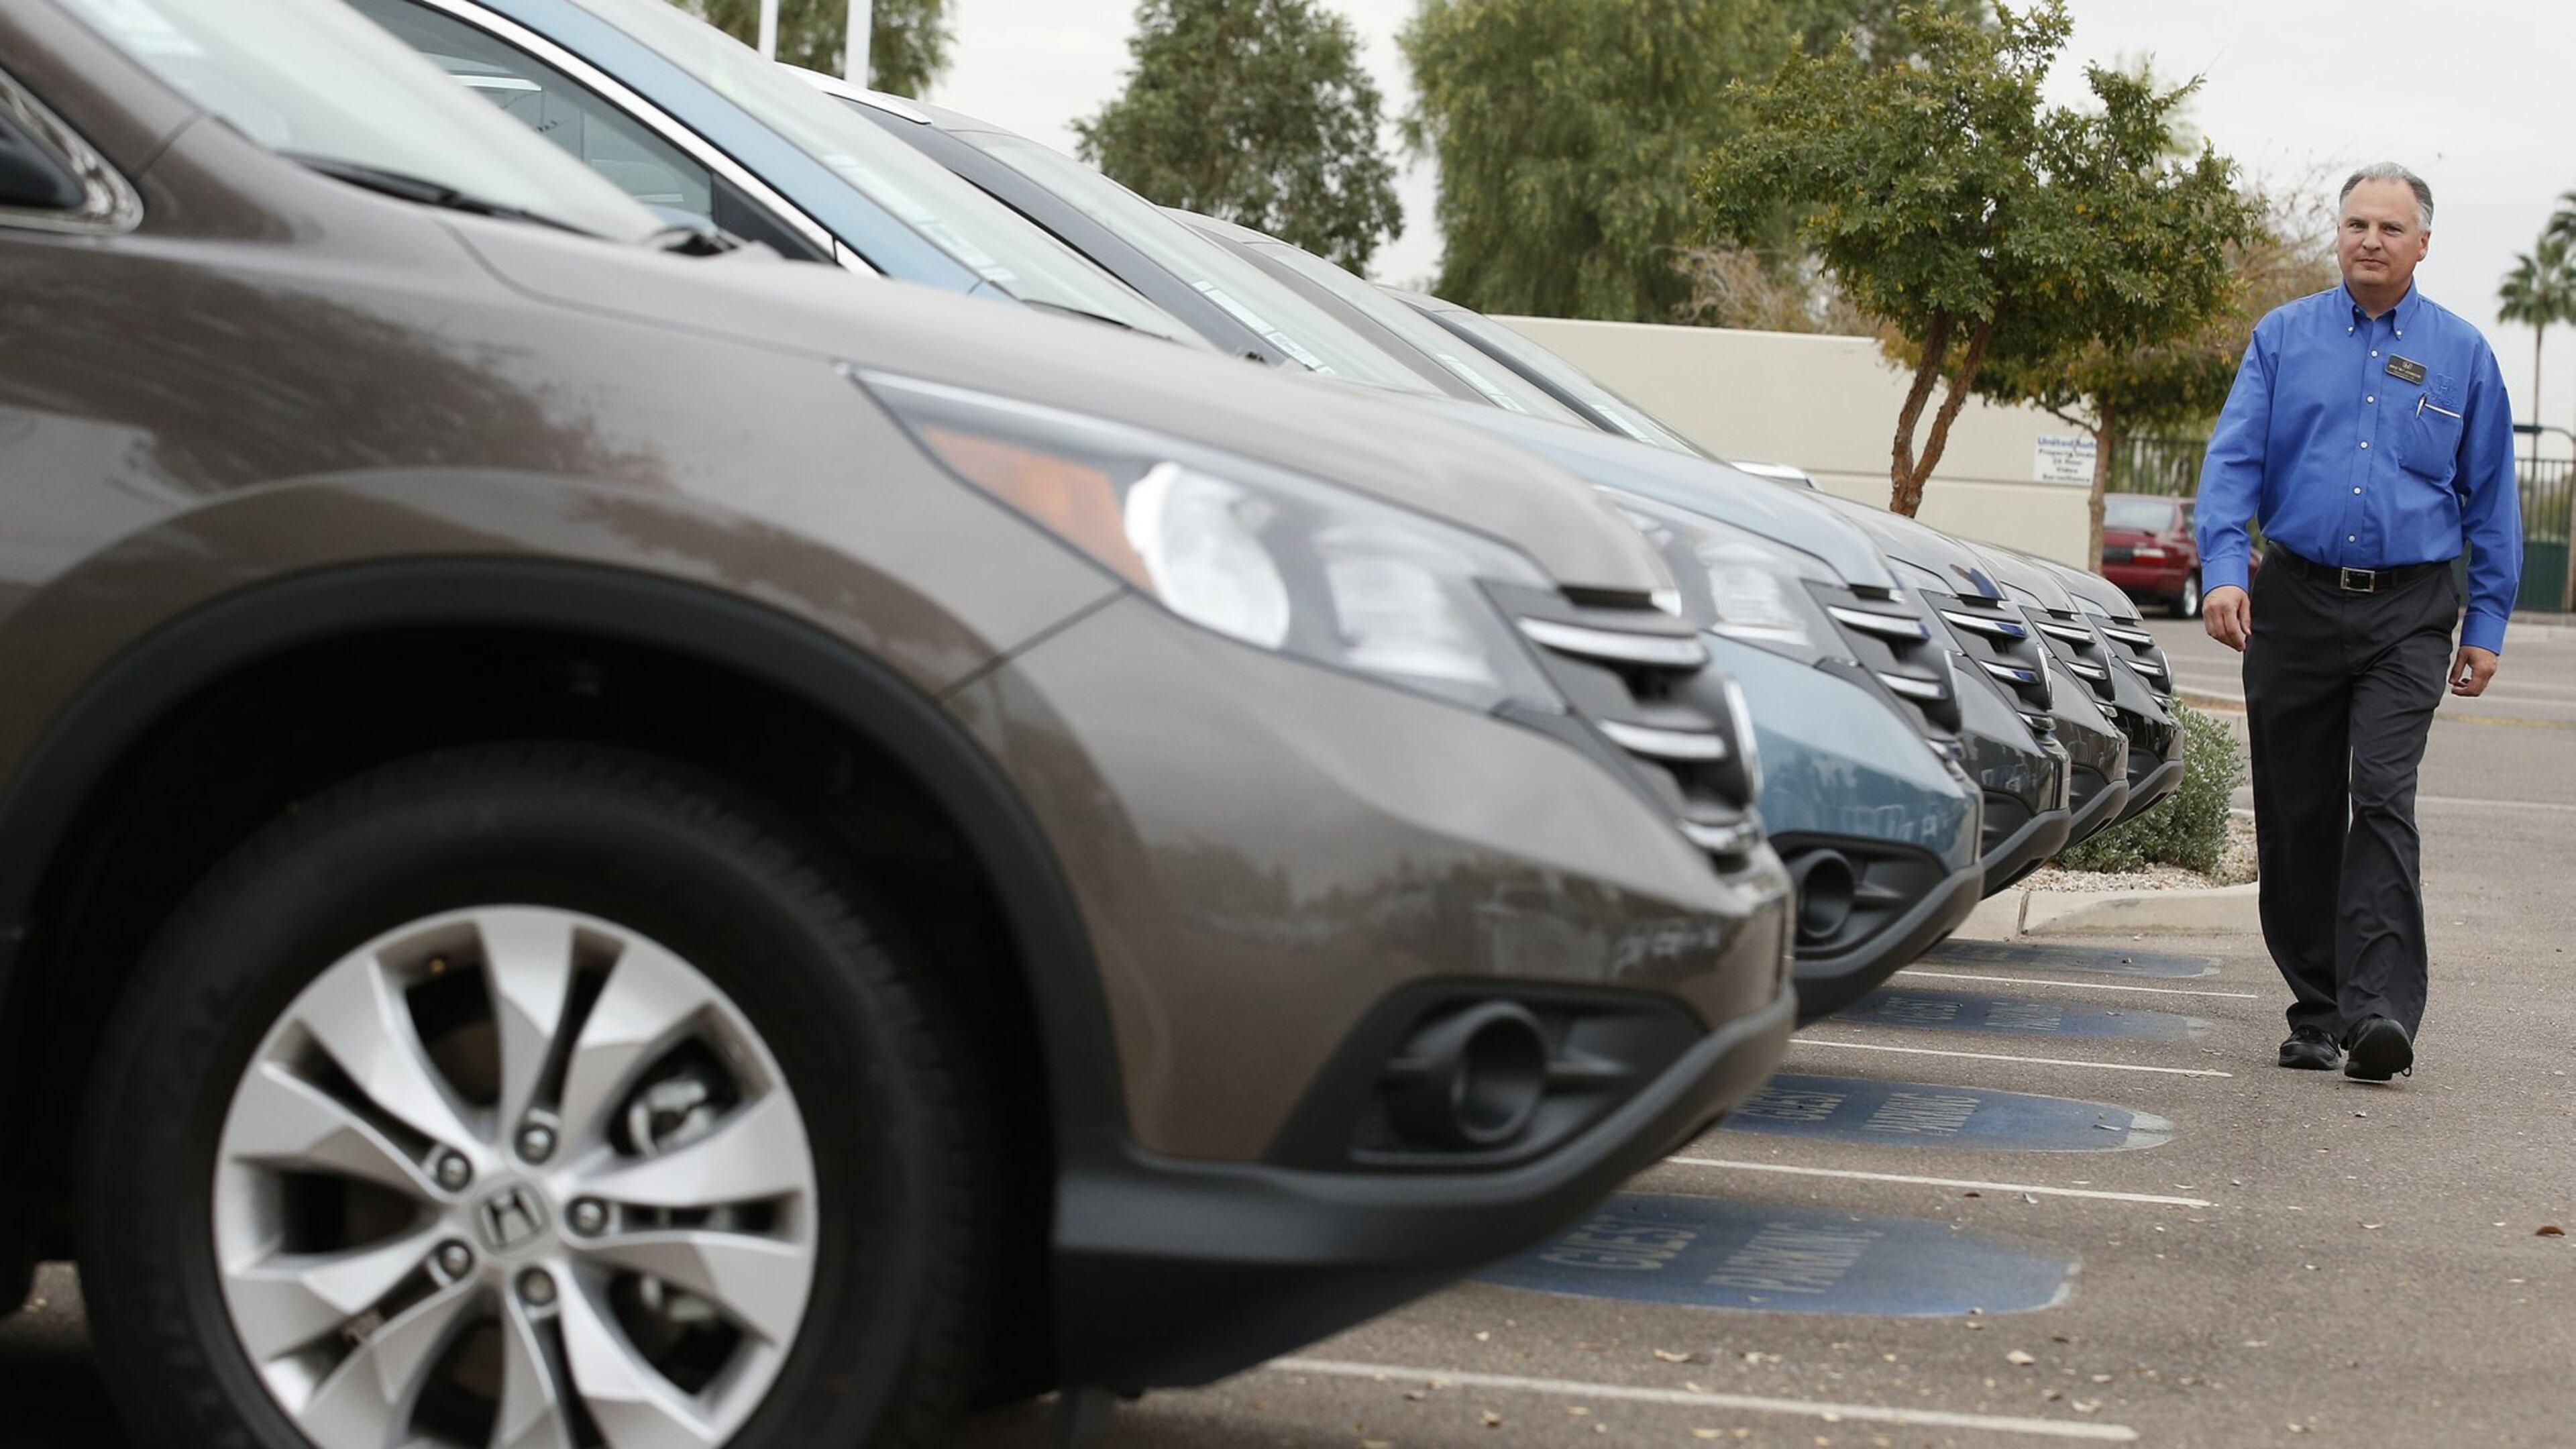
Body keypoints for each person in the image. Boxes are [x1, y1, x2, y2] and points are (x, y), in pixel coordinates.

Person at [2196, 161, 2520, 1083]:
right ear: (2338, 236)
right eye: (2355, 225)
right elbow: (2233, 464)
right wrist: (2225, 569)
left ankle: (2381, 1014)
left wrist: (2486, 623)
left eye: (2389, 227)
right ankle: (2317, 1007)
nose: (2369, 240)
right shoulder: (2283, 338)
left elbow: (2491, 499)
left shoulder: (2461, 355)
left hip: (2411, 609)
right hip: (2294, 597)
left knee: (2380, 794)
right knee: (2296, 811)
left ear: (2422, 244)